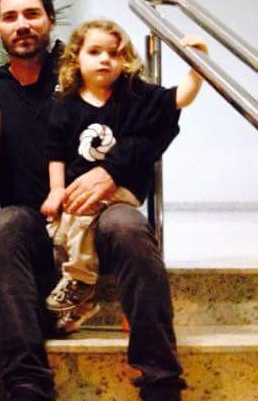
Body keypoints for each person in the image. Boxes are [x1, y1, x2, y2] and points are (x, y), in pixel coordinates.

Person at [0, 0, 187, 401]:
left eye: (32, 14)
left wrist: (112, 171)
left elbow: (157, 125)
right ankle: (28, 388)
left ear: (50, 20)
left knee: (130, 227)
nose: (22, 24)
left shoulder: (91, 69)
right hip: (36, 221)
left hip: (104, 214)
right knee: (6, 224)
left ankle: (160, 383)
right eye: (11, 17)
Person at [41, 20, 209, 330]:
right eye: (95, 52)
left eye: (114, 53)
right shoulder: (65, 106)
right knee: (60, 231)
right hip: (79, 190)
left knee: (80, 215)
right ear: (76, 57)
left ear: (125, 60)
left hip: (122, 188)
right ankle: (82, 305)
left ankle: (80, 281)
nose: (105, 59)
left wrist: (197, 65)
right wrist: (56, 191)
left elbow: (180, 98)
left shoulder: (135, 96)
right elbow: (56, 154)